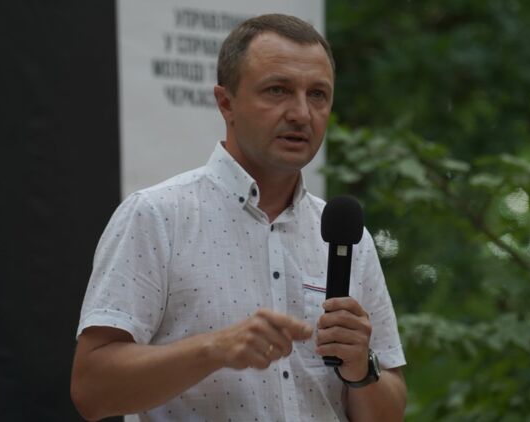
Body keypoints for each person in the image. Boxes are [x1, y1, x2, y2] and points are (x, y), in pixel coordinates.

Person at [70, 13, 407, 421]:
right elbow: (92, 390)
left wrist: (361, 370)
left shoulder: (349, 239)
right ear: (225, 102)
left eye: (318, 94)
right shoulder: (157, 216)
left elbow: (390, 412)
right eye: (278, 90)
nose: (301, 113)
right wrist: (215, 349)